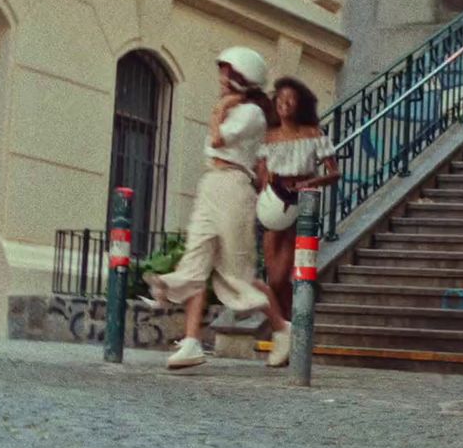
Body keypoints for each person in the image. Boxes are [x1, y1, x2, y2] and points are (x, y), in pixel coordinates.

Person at [144, 47, 293, 370]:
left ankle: (282, 328)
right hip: (212, 183)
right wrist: (222, 108)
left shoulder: (251, 114)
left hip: (234, 188)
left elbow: (217, 141)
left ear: (243, 78)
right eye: (222, 72)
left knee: (237, 273)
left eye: (227, 73)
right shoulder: (231, 109)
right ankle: (192, 342)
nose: (222, 79)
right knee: (195, 262)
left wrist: (220, 110)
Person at [256, 77, 339, 319]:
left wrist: (309, 183)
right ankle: (288, 329)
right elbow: (260, 176)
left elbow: (334, 173)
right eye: (280, 99)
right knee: (274, 279)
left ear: (299, 104)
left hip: (301, 203)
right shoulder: (268, 137)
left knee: (283, 274)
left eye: (290, 99)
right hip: (273, 202)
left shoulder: (312, 134)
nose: (285, 103)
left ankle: (291, 328)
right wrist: (262, 183)